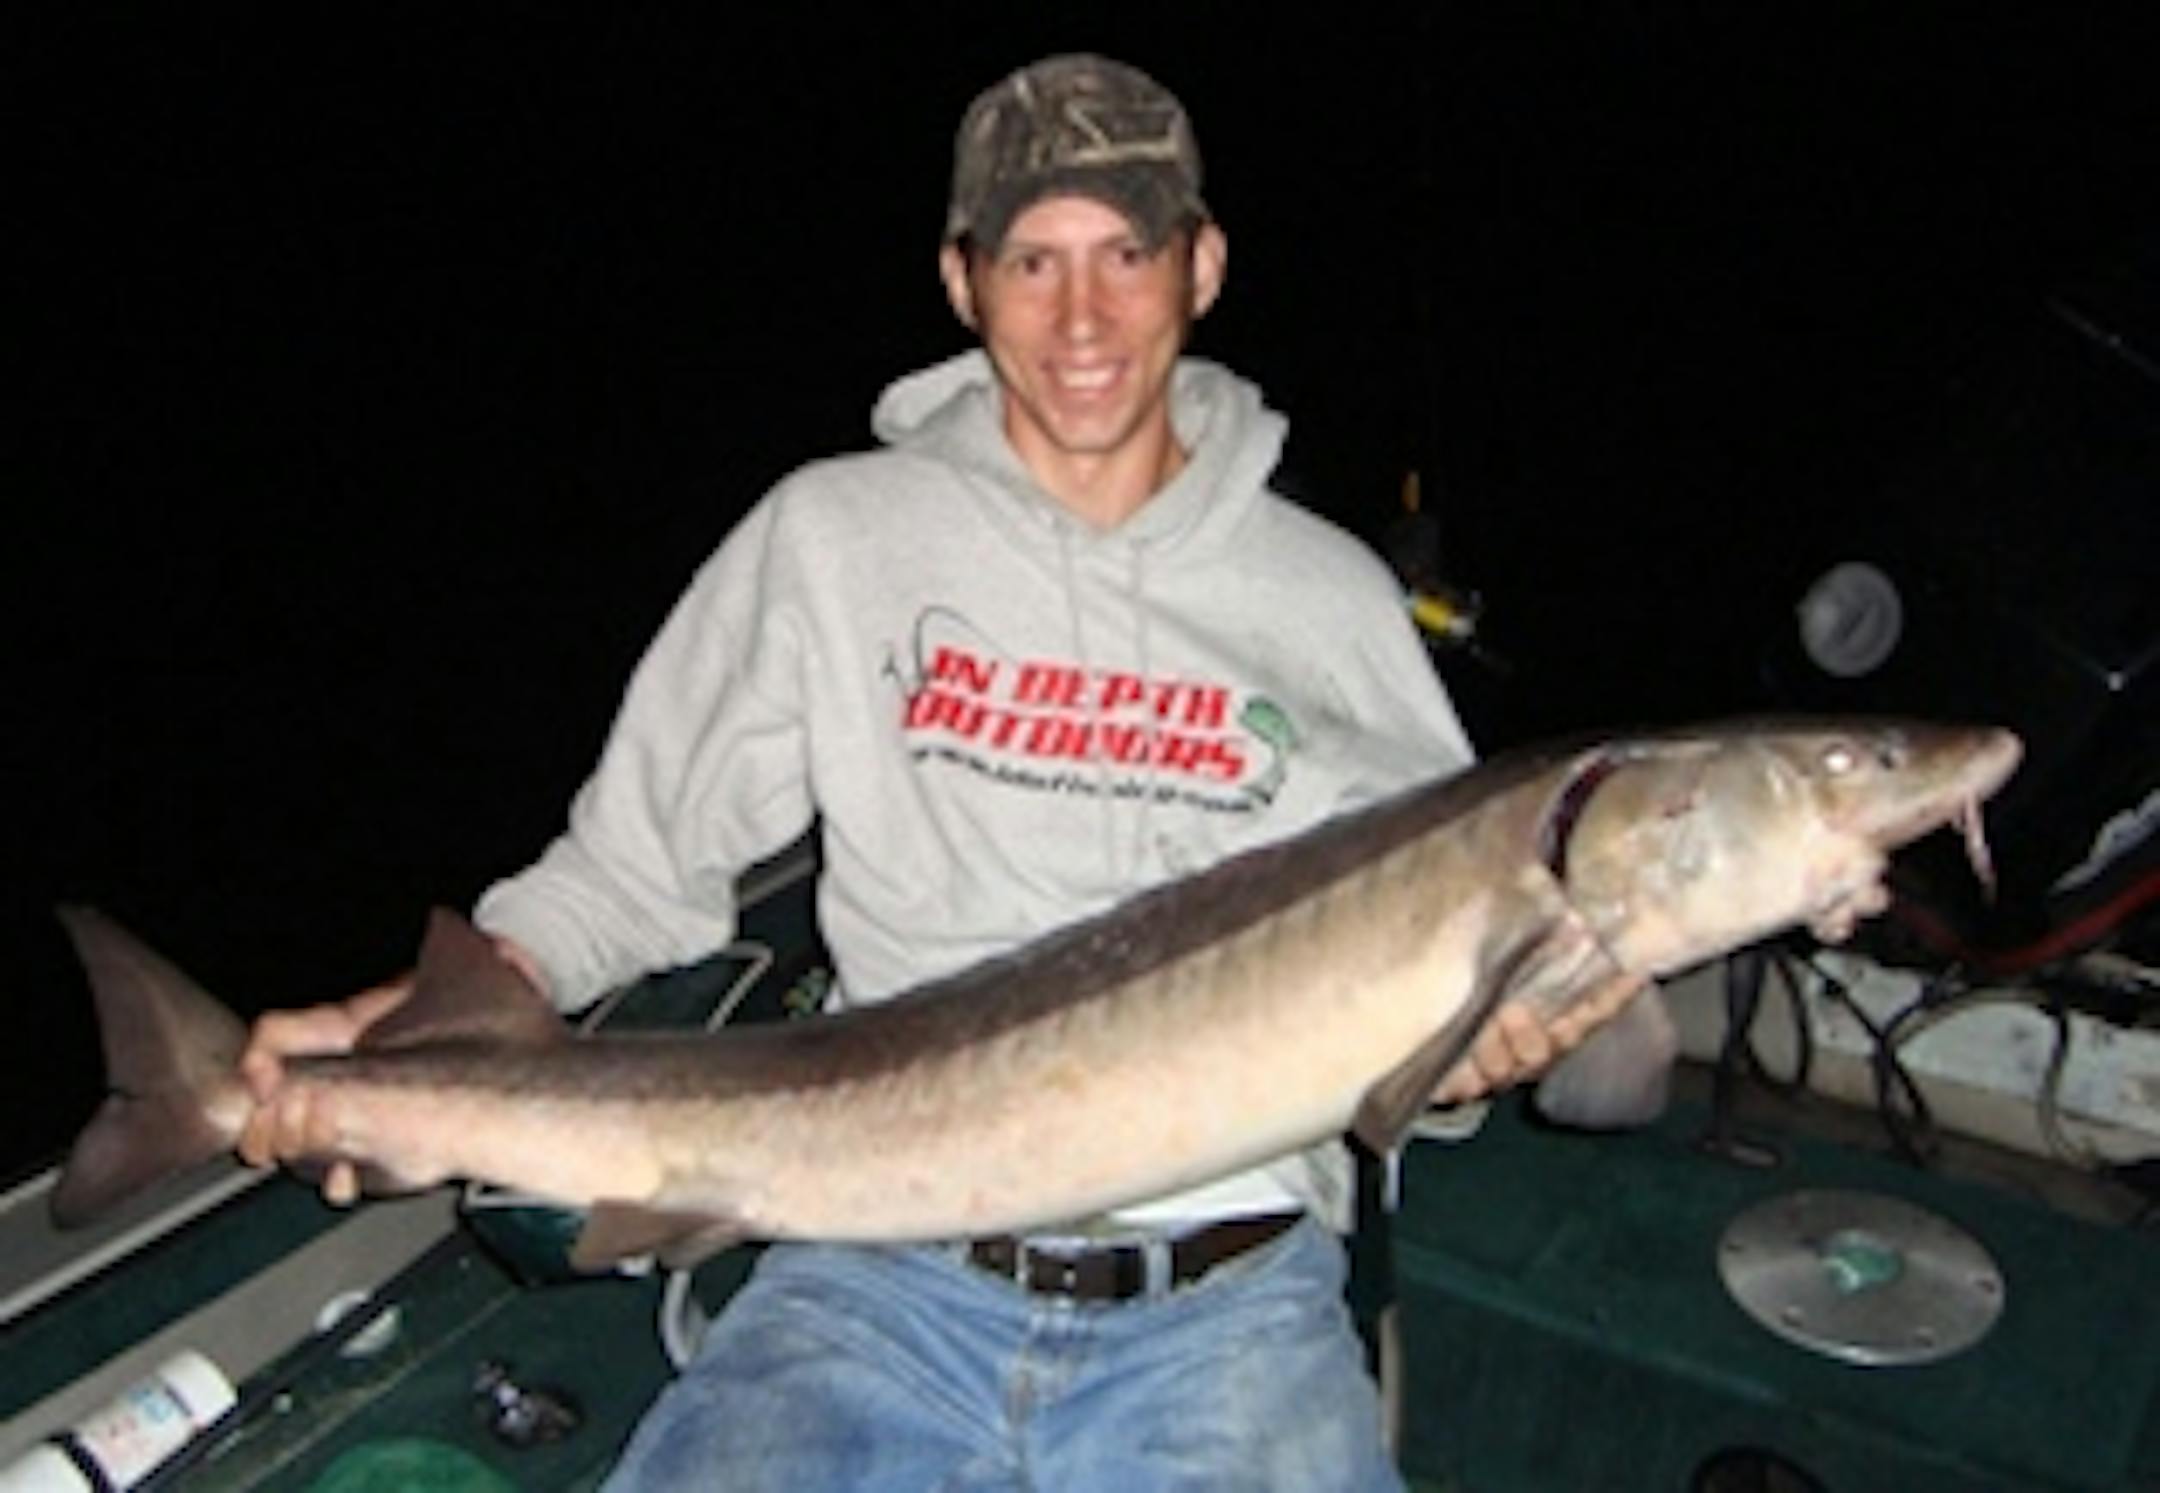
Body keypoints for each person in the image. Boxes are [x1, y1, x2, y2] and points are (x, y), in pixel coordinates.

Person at [242, 54, 1641, 1490]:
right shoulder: (834, 538)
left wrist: (1481, 1056)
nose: (1082, 316)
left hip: (1227, 1293)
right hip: (873, 1269)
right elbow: (634, 863)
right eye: (1032, 260)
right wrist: (453, 1003)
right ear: (962, 281)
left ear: (1203, 266)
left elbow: (1437, 1024)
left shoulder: (1333, 603)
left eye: (1126, 253)